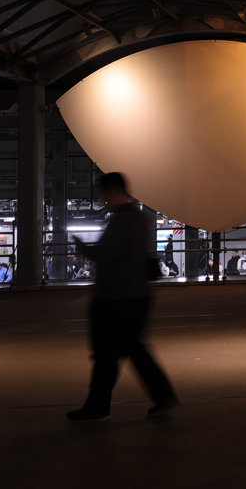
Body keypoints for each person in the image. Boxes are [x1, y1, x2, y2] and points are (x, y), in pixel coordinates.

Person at [67, 172, 178, 423]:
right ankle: (161, 396)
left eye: (104, 195)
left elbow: (106, 255)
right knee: (130, 349)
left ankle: (98, 406)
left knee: (107, 352)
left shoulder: (120, 221)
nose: (103, 200)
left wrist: (81, 246)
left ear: (113, 192)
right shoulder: (138, 216)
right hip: (137, 295)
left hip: (116, 298)